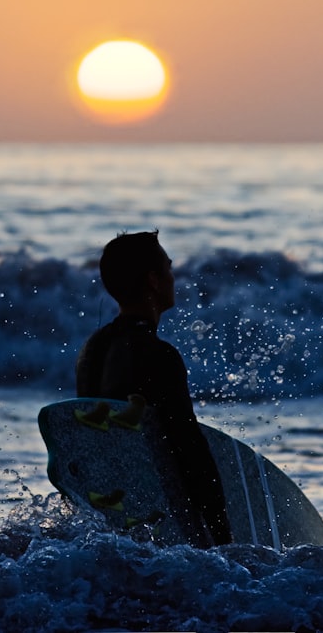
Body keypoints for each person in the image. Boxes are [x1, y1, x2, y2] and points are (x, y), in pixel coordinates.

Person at [76, 231, 233, 547]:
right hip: (153, 520)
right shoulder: (159, 356)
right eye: (169, 269)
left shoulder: (93, 349)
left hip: (111, 511)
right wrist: (222, 535)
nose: (174, 279)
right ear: (153, 281)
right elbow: (189, 449)